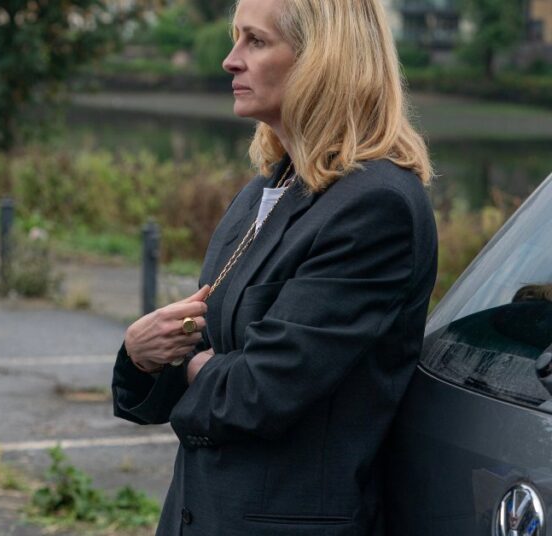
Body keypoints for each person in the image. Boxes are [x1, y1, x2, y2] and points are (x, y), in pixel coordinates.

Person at [112, 0, 438, 534]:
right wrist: (142, 355)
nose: (230, 60)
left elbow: (261, 391)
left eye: (256, 41)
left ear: (322, 60)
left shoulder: (375, 205)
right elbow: (209, 340)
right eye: (236, 38)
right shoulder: (271, 187)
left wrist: (192, 365)